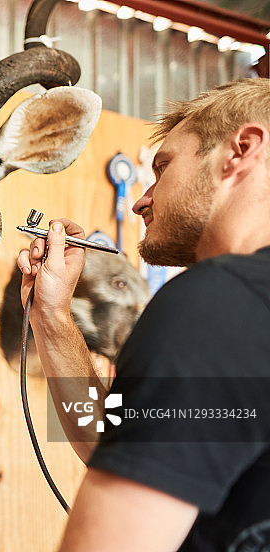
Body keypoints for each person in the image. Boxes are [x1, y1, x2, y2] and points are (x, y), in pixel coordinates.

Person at [18, 77, 270, 551]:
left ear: (241, 151)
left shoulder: (215, 305)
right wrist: (52, 315)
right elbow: (125, 444)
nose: (140, 199)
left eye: (163, 167)